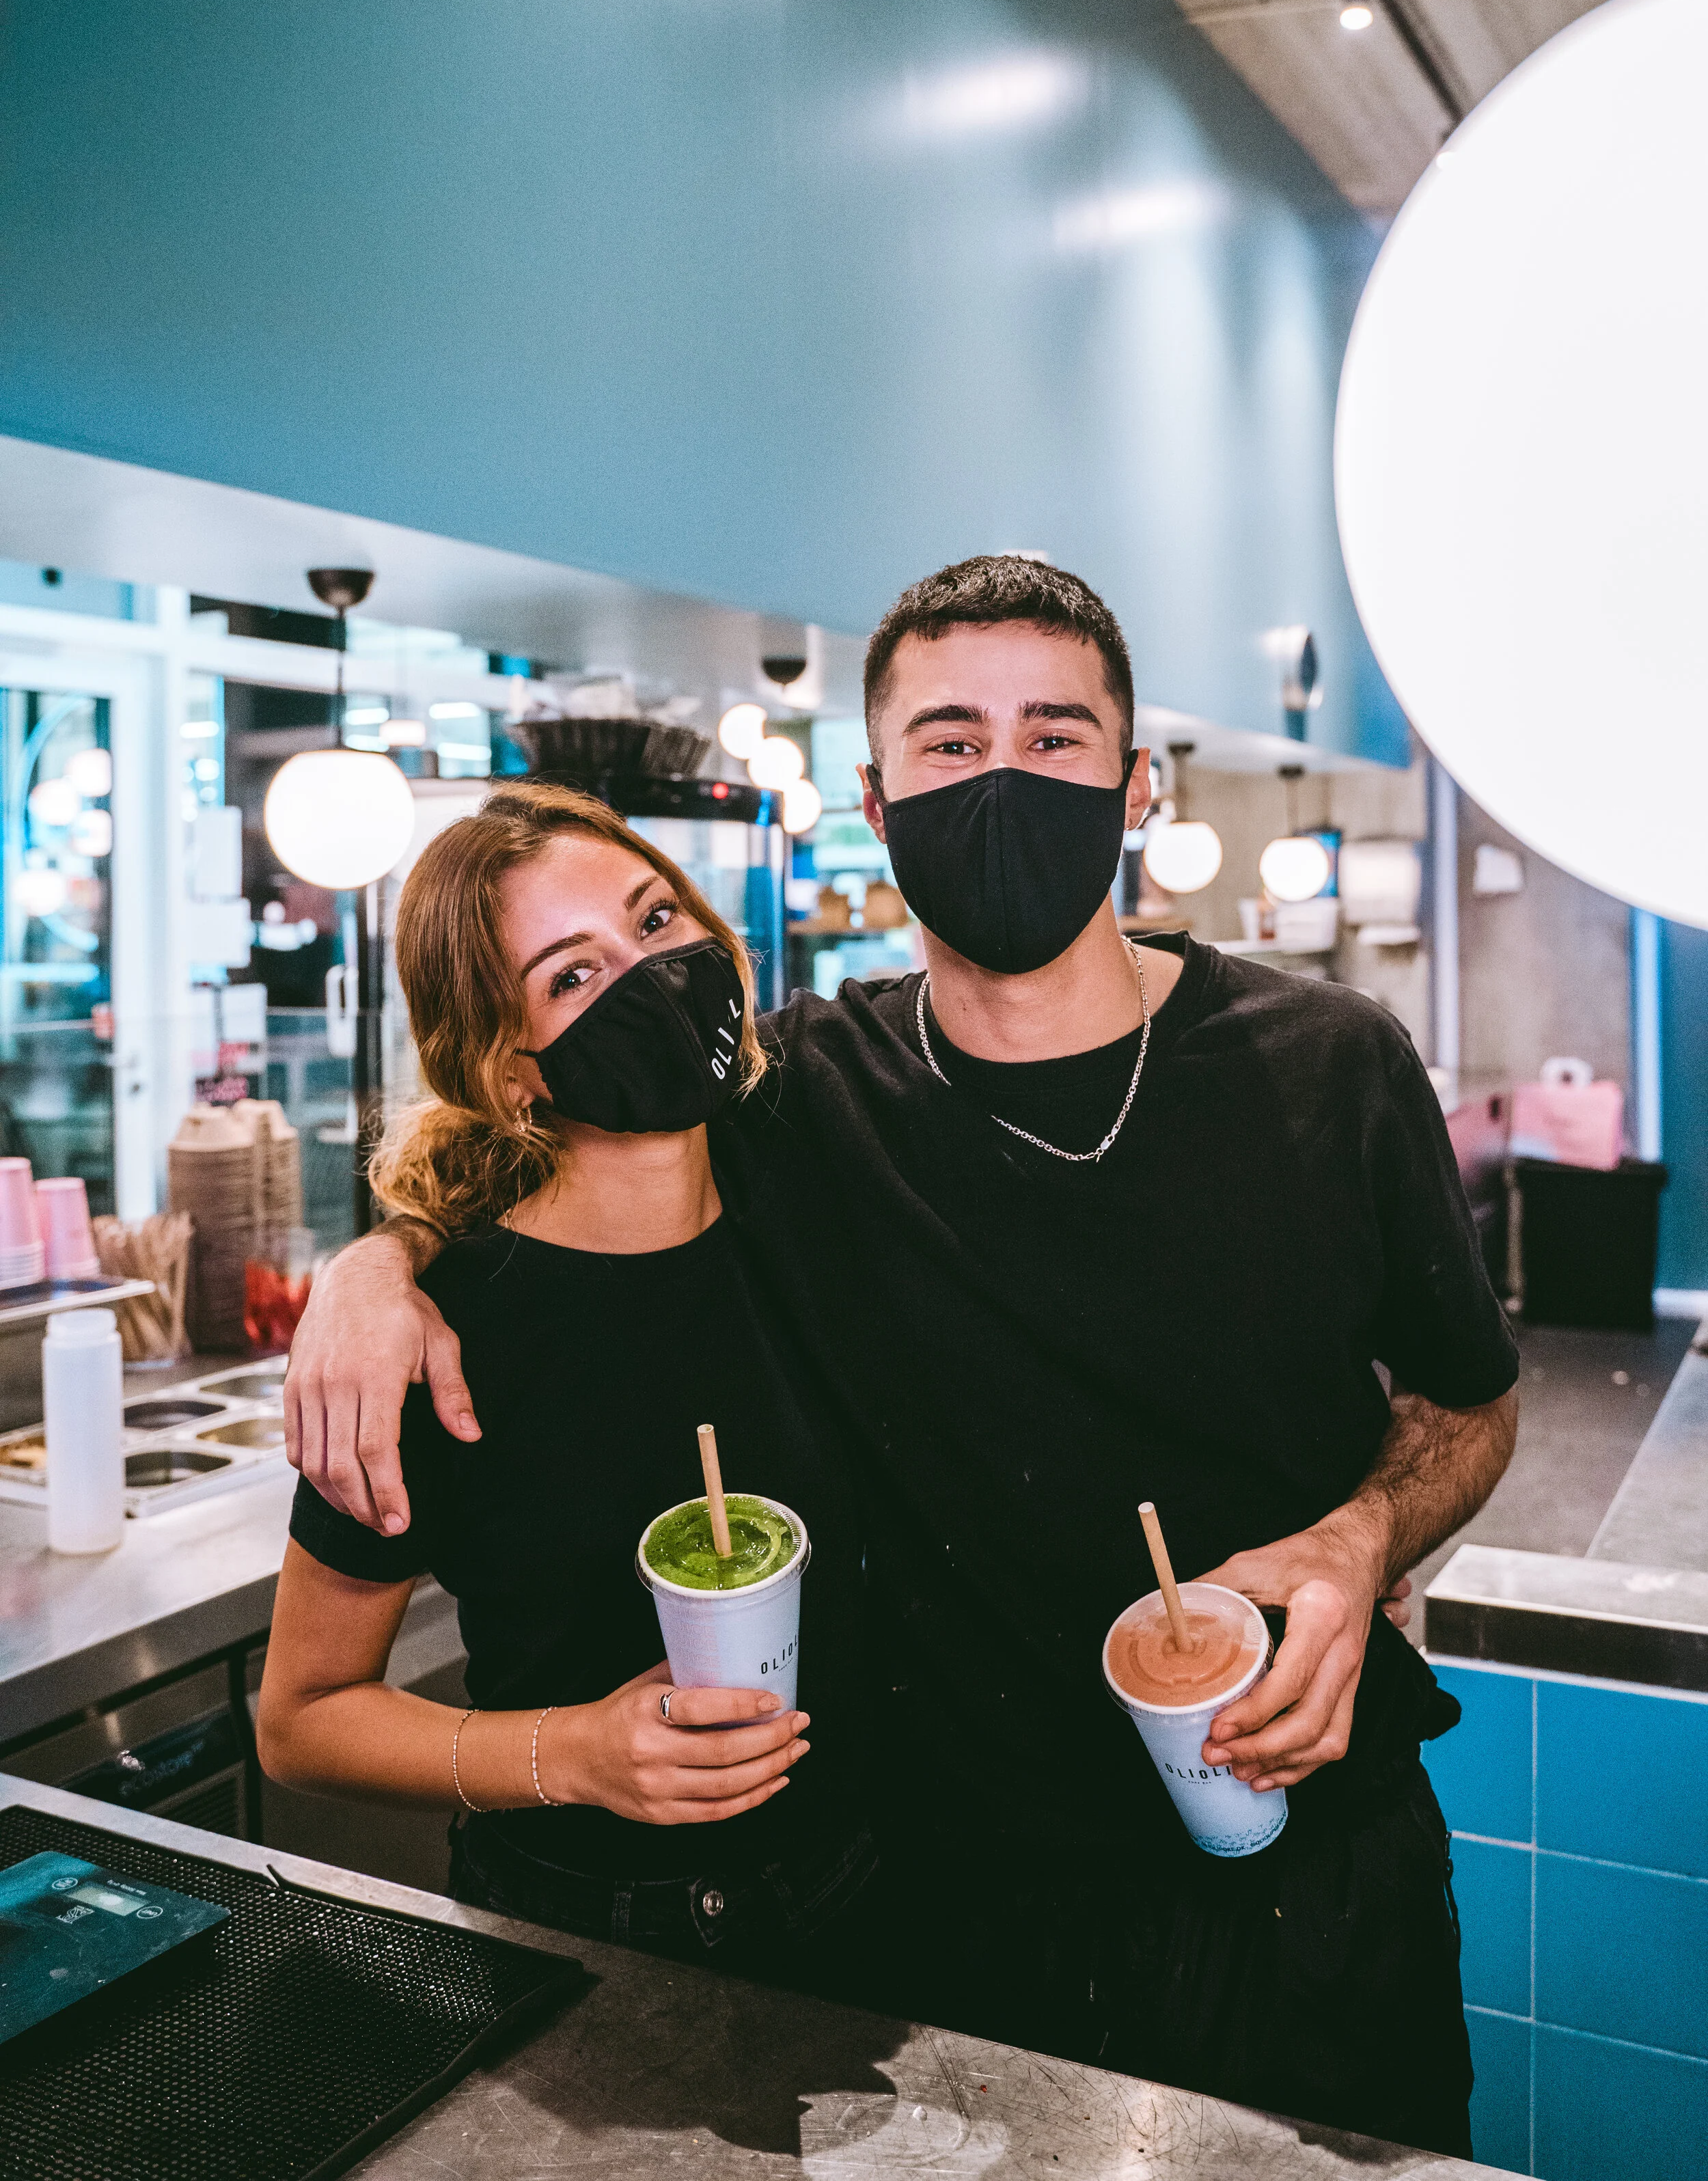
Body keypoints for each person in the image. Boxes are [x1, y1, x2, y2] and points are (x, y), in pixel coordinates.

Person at [284, 555, 1519, 2154]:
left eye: (1053, 737)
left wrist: (1361, 1540)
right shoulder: (801, 1097)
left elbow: (1465, 1409)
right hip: (953, 1908)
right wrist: (374, 1265)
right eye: (948, 741)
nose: (1000, 778)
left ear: (1134, 783)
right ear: (875, 794)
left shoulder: (1331, 1065)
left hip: (1304, 1866)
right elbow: (561, 1165)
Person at [258, 783, 877, 1979]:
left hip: (859, 1889)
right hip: (575, 1927)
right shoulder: (437, 1338)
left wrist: (383, 1247)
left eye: (654, 922)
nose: (649, 976)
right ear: (513, 1070)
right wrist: (577, 1752)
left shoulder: (806, 1187)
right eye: (571, 976)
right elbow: (300, 1717)